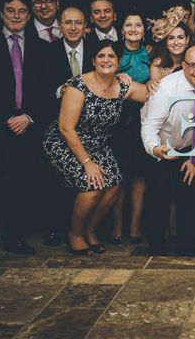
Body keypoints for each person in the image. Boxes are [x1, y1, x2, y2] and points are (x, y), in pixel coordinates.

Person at [42, 40, 148, 255]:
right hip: (64, 142)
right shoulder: (78, 85)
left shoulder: (123, 86)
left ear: (119, 62)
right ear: (93, 61)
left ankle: (90, 231)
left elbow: (152, 93)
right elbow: (66, 128)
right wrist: (87, 163)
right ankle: (75, 235)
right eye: (101, 56)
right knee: (92, 186)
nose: (106, 60)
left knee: (114, 184)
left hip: (98, 143)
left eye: (111, 56)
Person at [0, 0, 46, 254]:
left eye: (21, 11)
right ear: (1, 14)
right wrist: (5, 117)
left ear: (29, 16)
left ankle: (15, 236)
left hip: (27, 125)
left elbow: (45, 88)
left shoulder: (41, 47)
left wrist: (28, 117)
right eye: (10, 11)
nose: (16, 16)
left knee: (24, 183)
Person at [140, 46, 195, 255]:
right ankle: (156, 248)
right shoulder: (165, 89)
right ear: (183, 66)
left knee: (189, 200)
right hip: (160, 145)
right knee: (158, 199)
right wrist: (155, 149)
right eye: (193, 65)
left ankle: (188, 248)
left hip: (191, 147)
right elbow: (150, 126)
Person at [41, 6, 95, 247]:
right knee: (55, 181)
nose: (73, 28)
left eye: (78, 23)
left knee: (87, 181)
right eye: (68, 23)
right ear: (59, 26)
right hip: (59, 125)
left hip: (92, 127)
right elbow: (39, 88)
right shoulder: (46, 52)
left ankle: (86, 229)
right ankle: (54, 228)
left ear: (85, 26)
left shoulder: (97, 50)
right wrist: (61, 91)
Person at [110, 11, 151, 245]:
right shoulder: (113, 52)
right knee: (119, 173)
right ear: (122, 29)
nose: (134, 28)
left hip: (143, 117)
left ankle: (135, 225)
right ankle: (116, 225)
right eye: (129, 25)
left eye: (138, 25)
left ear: (144, 30)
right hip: (117, 118)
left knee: (139, 173)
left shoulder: (152, 52)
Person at [150, 10, 192, 82]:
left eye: (180, 37)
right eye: (171, 38)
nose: (176, 42)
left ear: (187, 40)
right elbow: (157, 92)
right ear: (166, 42)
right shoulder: (157, 65)